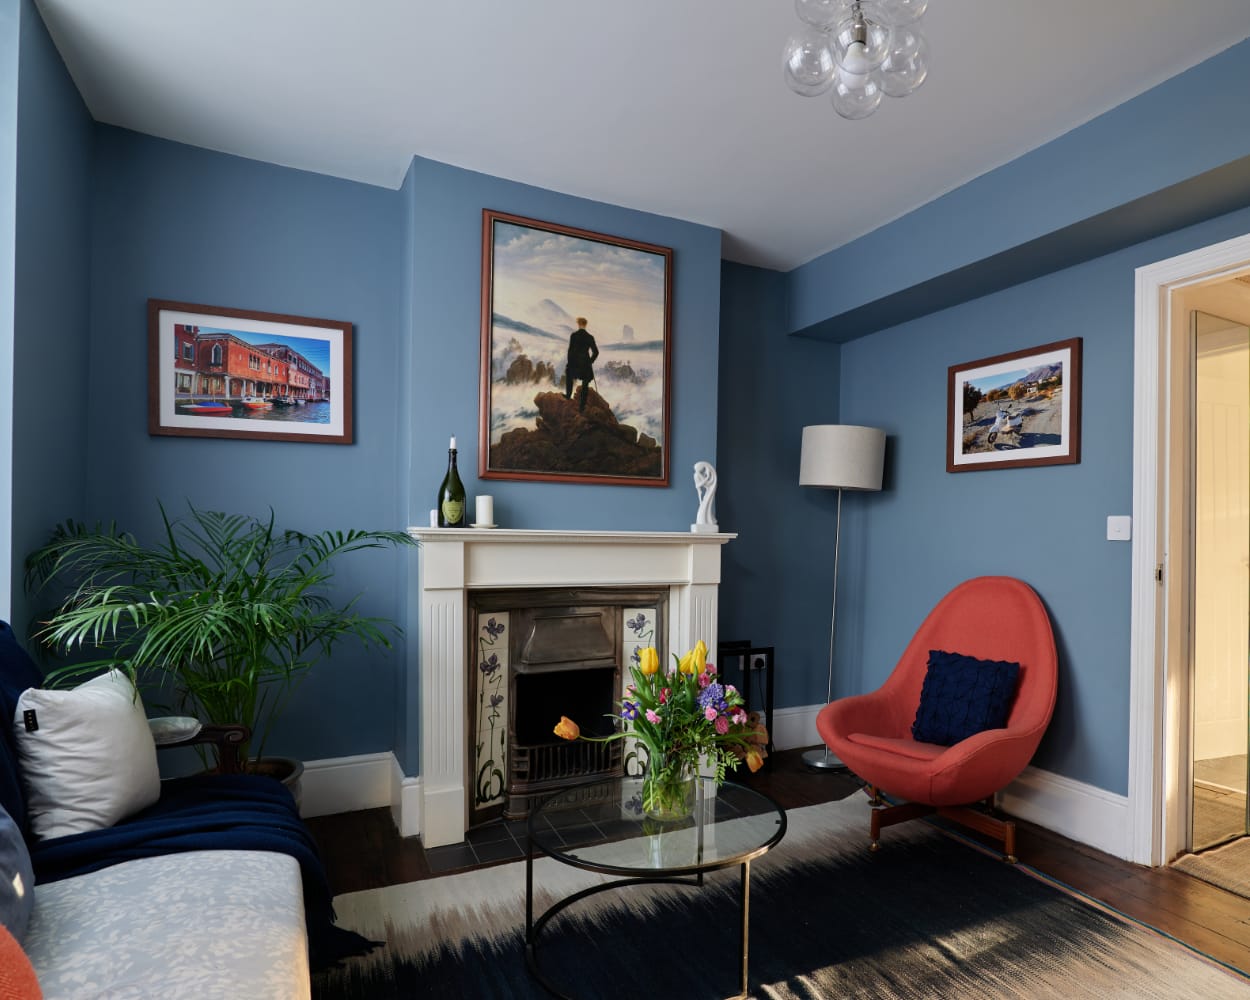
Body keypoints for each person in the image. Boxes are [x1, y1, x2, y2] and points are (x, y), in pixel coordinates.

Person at [564, 317, 599, 412]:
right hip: (585, 365)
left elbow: (570, 351)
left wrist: (570, 363)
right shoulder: (590, 337)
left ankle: (568, 395)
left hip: (575, 364)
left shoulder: (574, 335)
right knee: (585, 384)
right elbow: (596, 352)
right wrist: (590, 361)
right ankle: (582, 407)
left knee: (569, 374)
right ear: (585, 325)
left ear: (578, 324)